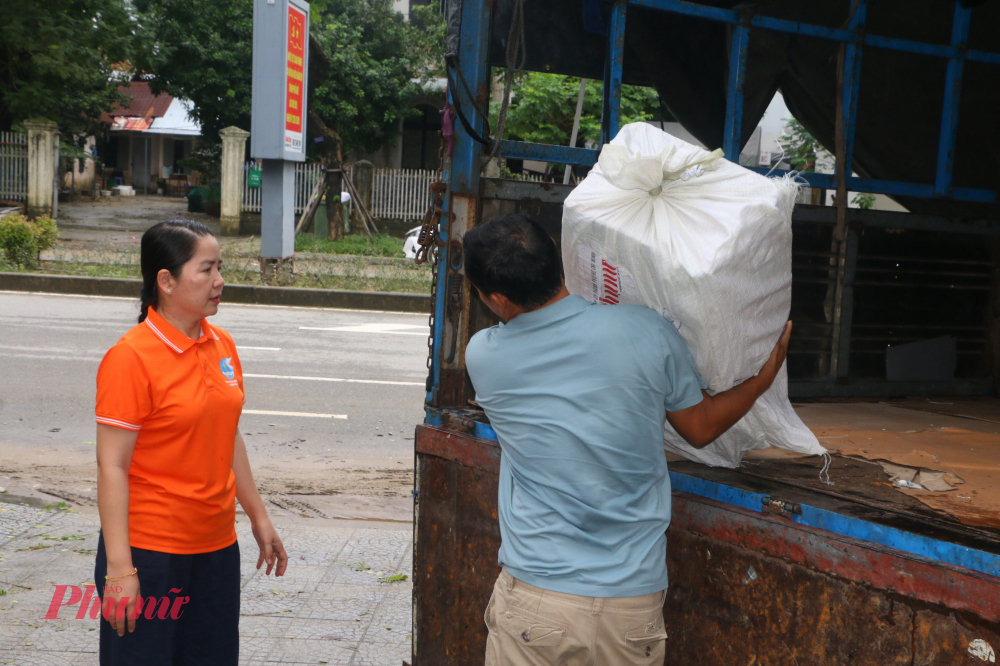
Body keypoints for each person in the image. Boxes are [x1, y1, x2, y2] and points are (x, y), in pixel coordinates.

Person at [463, 214, 792, 666]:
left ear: (498, 299)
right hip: (631, 607)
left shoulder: (484, 356)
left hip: (537, 601)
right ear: (555, 251)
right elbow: (700, 429)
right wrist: (761, 379)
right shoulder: (646, 330)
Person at [94, 220, 288, 666]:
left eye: (219, 267)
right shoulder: (131, 357)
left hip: (216, 549)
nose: (220, 281)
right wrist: (121, 569)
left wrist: (258, 517)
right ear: (166, 281)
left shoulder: (222, 345)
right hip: (152, 554)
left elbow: (226, 432)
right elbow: (112, 467)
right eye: (206, 270)